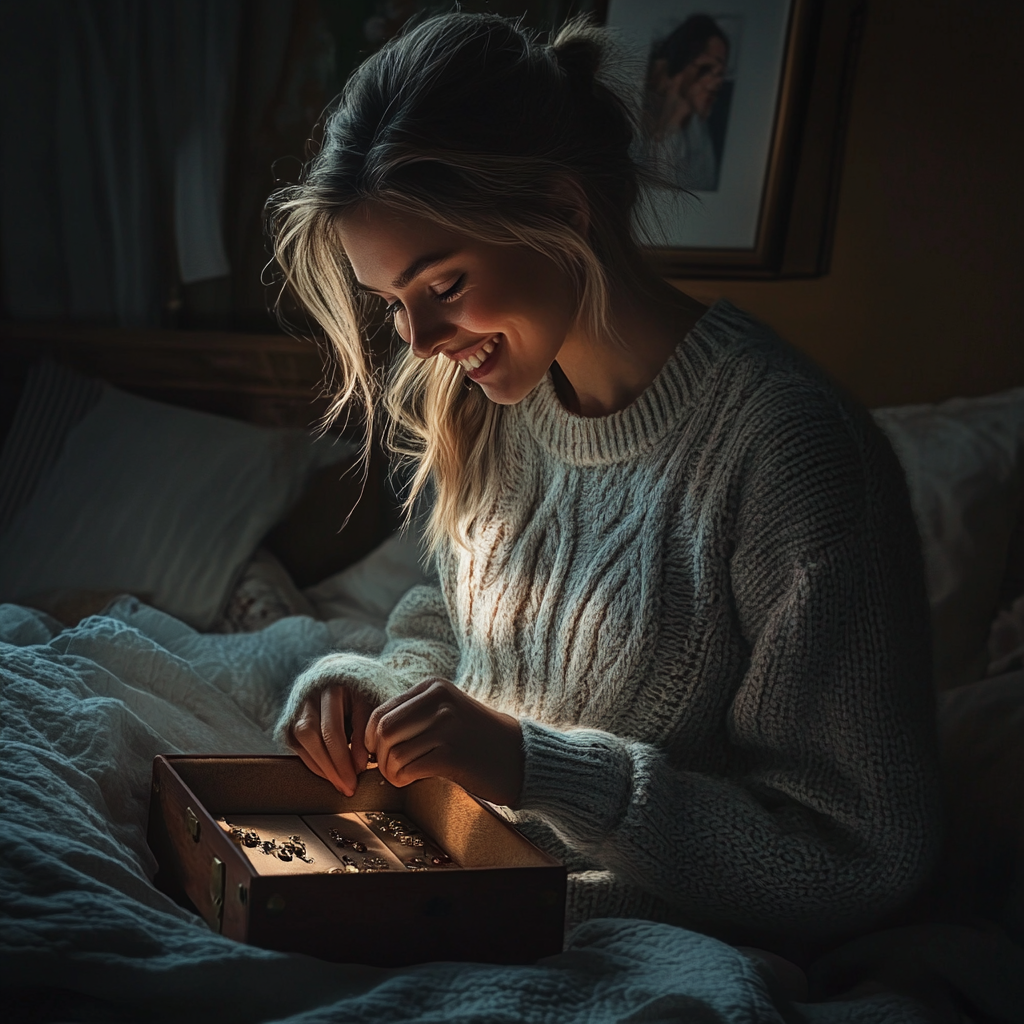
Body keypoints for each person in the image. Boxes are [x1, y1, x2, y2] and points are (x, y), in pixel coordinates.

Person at [267, 12, 941, 951]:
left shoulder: (790, 452)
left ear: (561, 209)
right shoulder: (491, 404)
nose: (416, 341)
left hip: (586, 933)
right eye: (393, 303)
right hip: (448, 877)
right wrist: (377, 691)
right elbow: (457, 629)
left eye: (445, 284)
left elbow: (854, 856)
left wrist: (540, 770)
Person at [644, 14, 730, 191]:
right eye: (708, 68)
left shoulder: (700, 123)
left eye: (720, 72)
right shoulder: (648, 115)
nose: (717, 82)